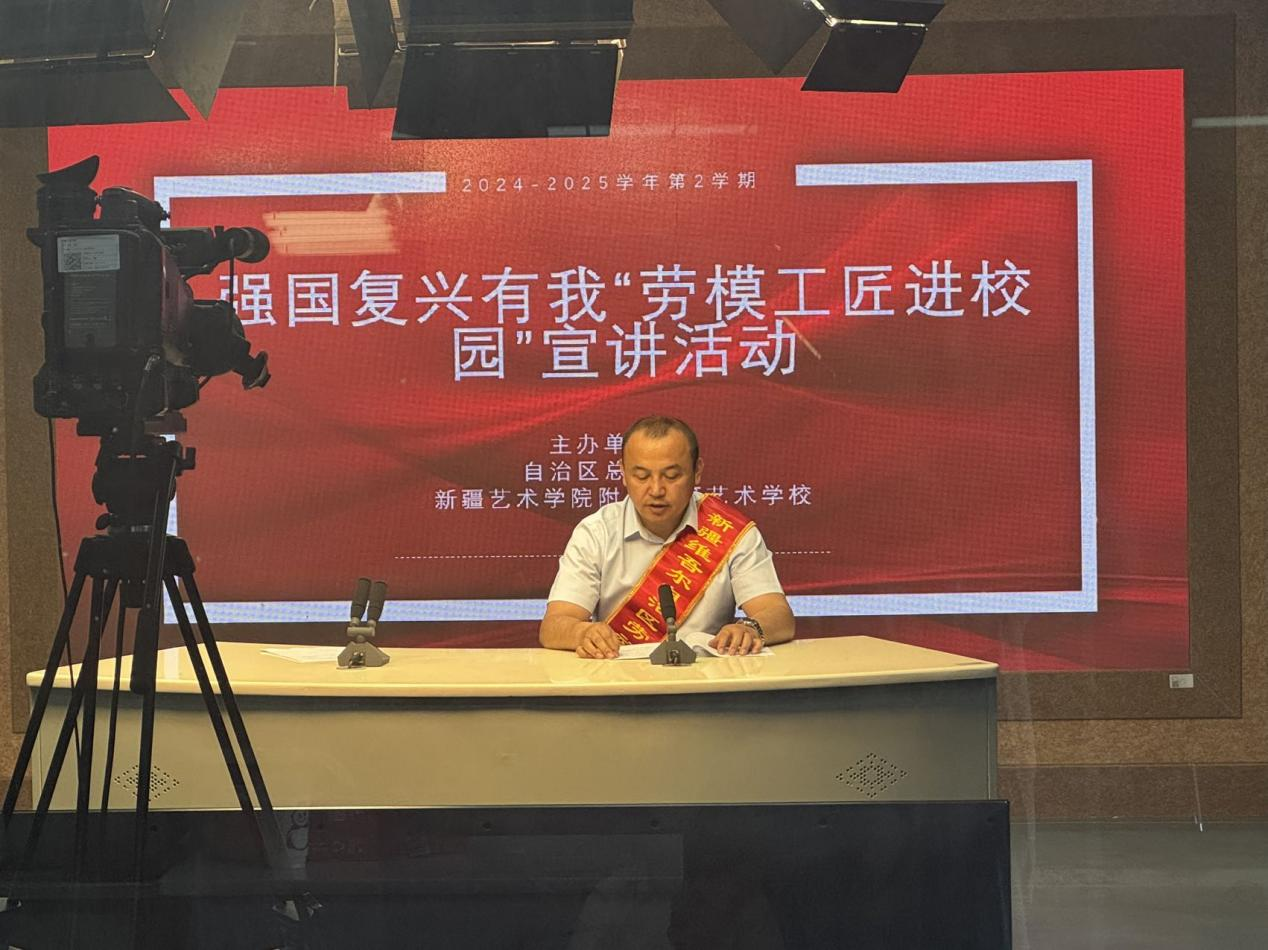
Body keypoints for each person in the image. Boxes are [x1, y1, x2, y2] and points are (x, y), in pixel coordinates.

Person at [540, 416, 795, 659]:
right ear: (623, 472)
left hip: (708, 679)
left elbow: (778, 615)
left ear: (697, 471)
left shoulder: (729, 530)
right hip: (619, 678)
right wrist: (582, 633)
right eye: (641, 476)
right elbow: (553, 625)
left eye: (672, 476)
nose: (656, 490)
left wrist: (751, 628)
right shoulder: (597, 532)